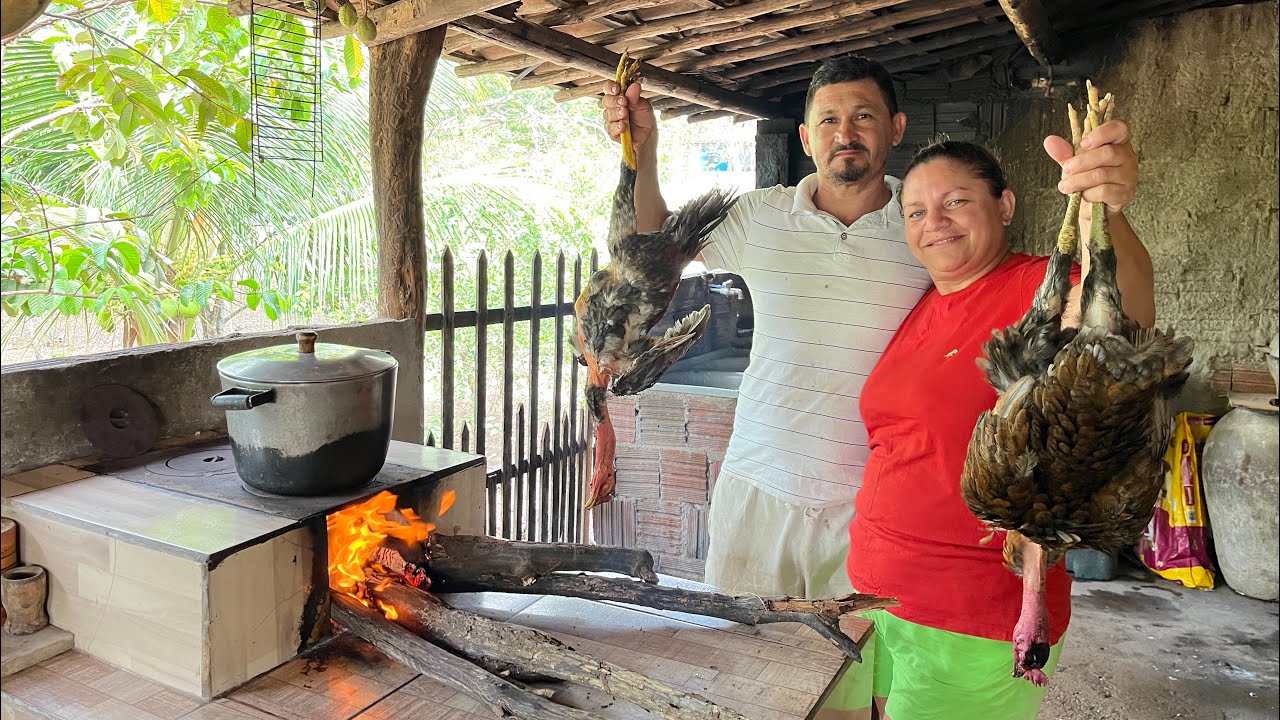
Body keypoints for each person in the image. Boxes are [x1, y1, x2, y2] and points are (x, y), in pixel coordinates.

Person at [599, 55, 1143, 602]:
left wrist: (1106, 210)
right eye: (829, 120)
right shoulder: (759, 215)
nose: (846, 134)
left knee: (851, 675)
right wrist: (641, 153)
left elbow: (1105, 307)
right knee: (744, 664)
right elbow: (651, 247)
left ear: (896, 129)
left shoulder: (925, 225)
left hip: (870, 505)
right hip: (758, 487)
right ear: (807, 138)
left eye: (864, 116)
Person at [847, 138, 1152, 720]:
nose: (933, 223)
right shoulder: (921, 303)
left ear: (1005, 206)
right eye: (915, 211)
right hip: (877, 591)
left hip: (972, 614)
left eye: (956, 201)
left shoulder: (1037, 287)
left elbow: (1124, 315)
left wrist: (1105, 212)